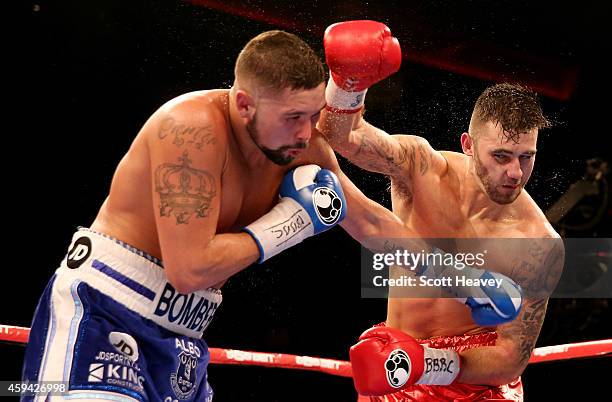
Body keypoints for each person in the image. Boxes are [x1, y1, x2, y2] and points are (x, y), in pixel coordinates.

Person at [21, 30, 406, 402]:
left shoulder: (301, 147)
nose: (306, 133)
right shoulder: (191, 130)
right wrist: (294, 222)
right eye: (292, 117)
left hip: (184, 338)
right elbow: (189, 270)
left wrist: (461, 277)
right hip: (106, 311)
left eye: (312, 115)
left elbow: (372, 223)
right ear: (244, 105)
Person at [318, 20, 564, 401]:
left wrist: (427, 362)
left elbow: (511, 358)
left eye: (525, 157)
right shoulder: (421, 168)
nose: (515, 173)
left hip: (473, 383)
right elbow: (342, 136)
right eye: (500, 156)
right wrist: (349, 83)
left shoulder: (538, 243)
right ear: (468, 144)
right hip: (395, 361)